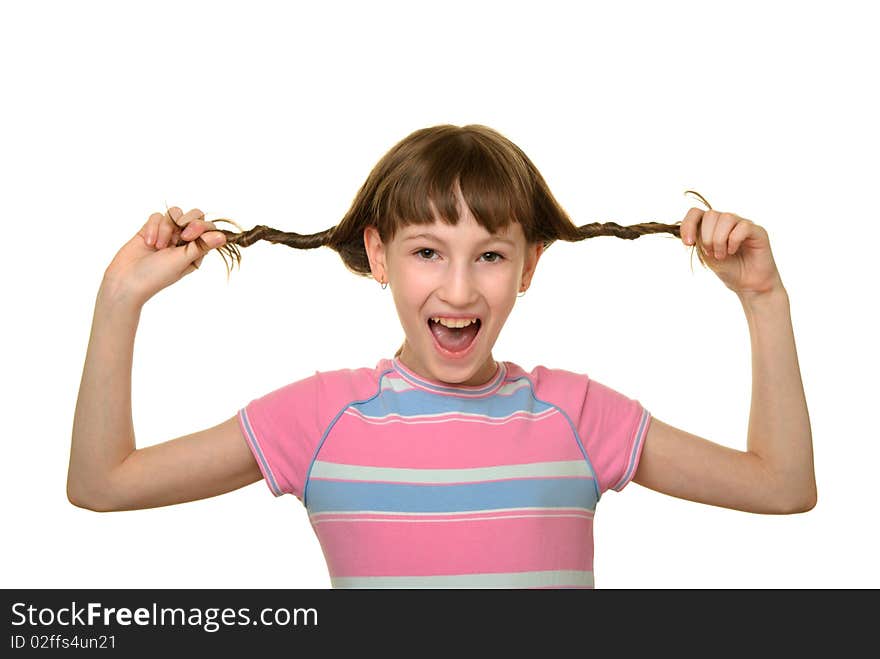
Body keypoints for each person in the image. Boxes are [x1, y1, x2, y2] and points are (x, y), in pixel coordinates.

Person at [67, 124, 816, 588]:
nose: (459, 288)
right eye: (428, 251)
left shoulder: (577, 415)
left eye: (489, 254)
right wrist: (118, 299)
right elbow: (103, 483)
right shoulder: (320, 419)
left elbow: (782, 487)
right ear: (378, 254)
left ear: (530, 264)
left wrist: (764, 299)